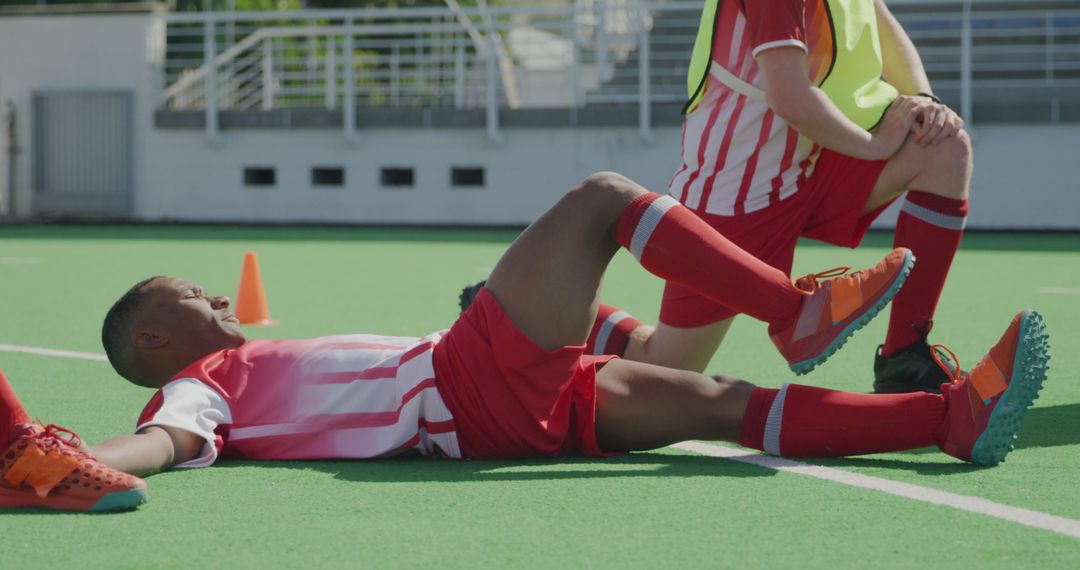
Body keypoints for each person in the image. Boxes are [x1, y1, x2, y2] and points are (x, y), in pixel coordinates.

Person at [0, 174, 1048, 513]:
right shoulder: (199, 383)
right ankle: (794, 308)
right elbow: (172, 443)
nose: (212, 297)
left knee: (726, 401)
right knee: (600, 201)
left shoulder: (231, 366)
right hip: (468, 382)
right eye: (186, 293)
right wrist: (85, 461)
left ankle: (945, 419)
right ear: (154, 335)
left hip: (494, 411)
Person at [469, 0, 969, 394]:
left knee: (943, 150)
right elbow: (790, 97)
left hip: (815, 159)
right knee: (666, 367)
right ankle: (516, 307)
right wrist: (877, 144)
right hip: (739, 188)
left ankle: (905, 357)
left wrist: (924, 100)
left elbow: (877, 17)